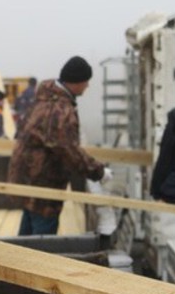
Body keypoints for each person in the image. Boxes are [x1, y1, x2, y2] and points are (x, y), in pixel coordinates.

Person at [8, 56, 112, 235]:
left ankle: (17, 261)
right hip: (43, 184)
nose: (87, 86)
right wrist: (99, 172)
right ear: (77, 82)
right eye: (86, 82)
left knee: (27, 234)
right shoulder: (60, 110)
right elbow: (68, 150)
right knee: (42, 243)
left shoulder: (44, 100)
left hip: (28, 178)